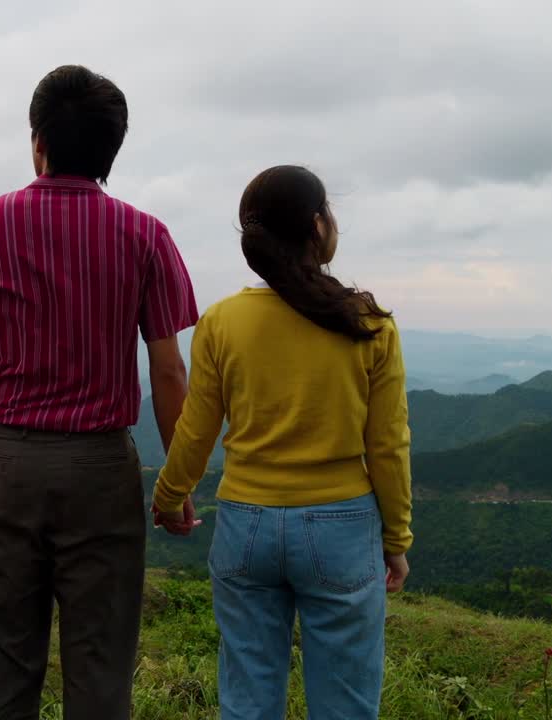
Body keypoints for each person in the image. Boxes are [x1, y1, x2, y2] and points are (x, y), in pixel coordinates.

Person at [0, 65, 200, 720]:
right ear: (112, 149)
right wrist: (178, 483)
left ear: (37, 140)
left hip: (8, 467)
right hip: (104, 471)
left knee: (4, 666)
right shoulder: (147, 235)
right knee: (102, 672)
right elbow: (167, 371)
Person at [151, 165, 413, 719]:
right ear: (318, 227)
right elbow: (387, 447)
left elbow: (198, 429)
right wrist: (396, 538)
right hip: (342, 526)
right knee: (344, 704)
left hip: (247, 522)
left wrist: (169, 497)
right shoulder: (368, 323)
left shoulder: (222, 322)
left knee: (247, 697)